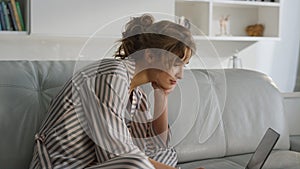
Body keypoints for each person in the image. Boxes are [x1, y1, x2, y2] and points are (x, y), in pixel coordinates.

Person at [29, 14, 196, 169]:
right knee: (135, 163)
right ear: (150, 56)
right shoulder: (111, 74)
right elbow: (114, 154)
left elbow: (156, 146)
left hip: (96, 164)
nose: (180, 75)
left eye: (184, 65)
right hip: (63, 165)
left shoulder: (137, 95)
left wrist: (162, 95)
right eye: (175, 63)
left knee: (166, 154)